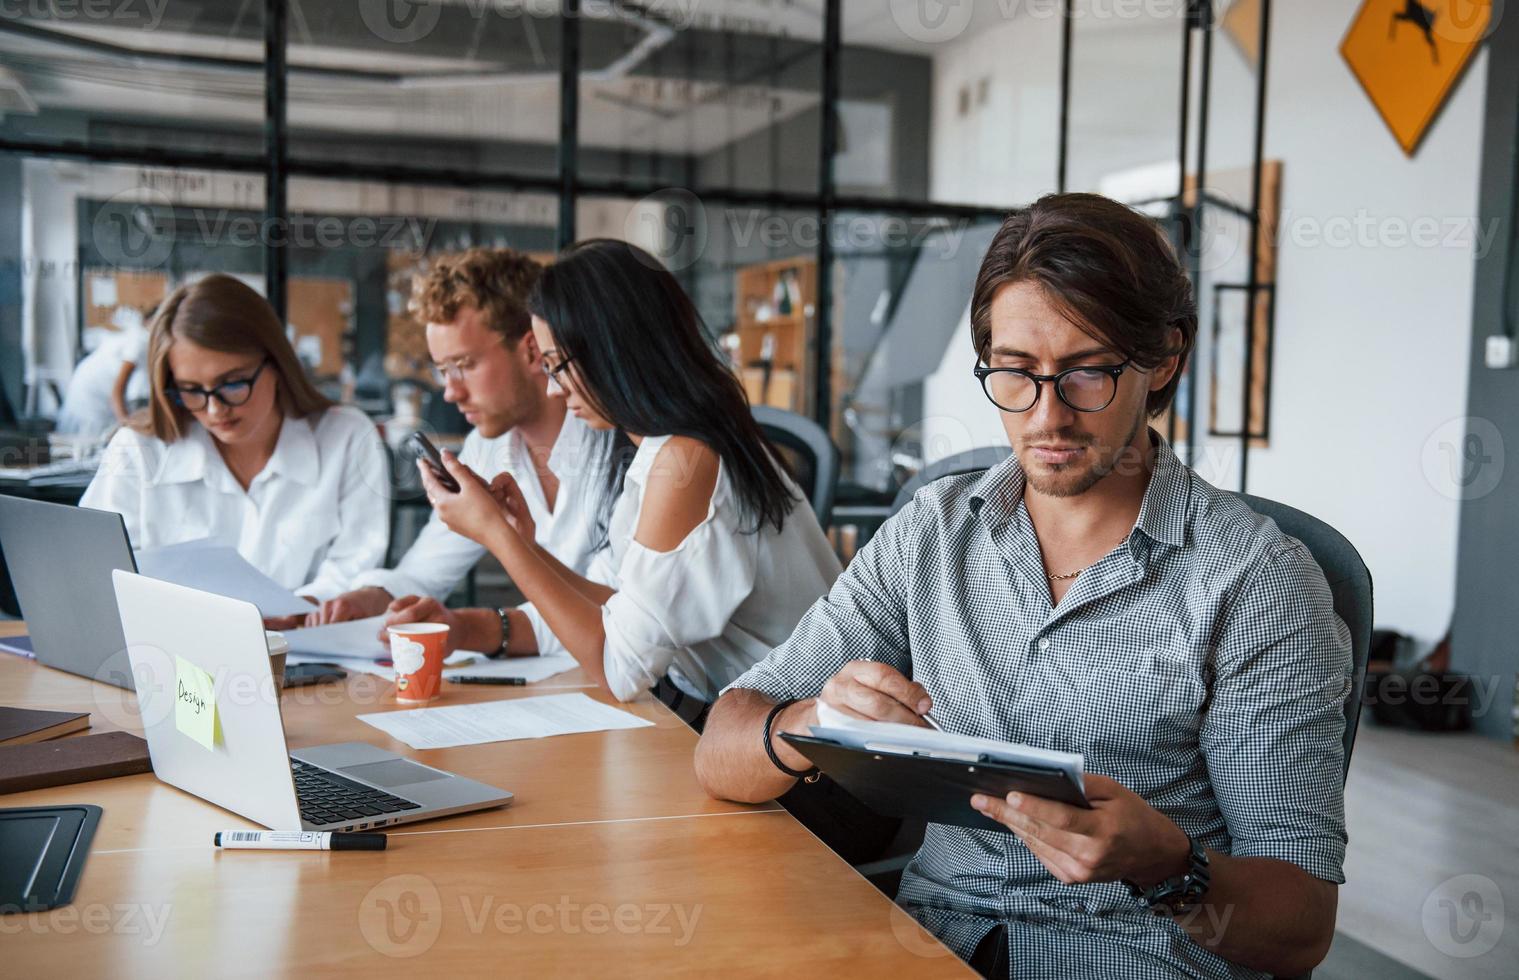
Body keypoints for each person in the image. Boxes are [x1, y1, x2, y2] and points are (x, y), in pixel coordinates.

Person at [695, 194, 1351, 979]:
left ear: (1163, 359)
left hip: (1134, 957)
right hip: (929, 942)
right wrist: (812, 719)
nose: (1046, 417)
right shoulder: (931, 531)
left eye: (1085, 373)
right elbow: (721, 745)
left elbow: (1299, 925)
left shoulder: (1256, 582)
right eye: (1013, 373)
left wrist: (1167, 868)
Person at [417, 238, 842, 713]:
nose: (555, 390)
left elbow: (620, 671)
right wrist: (526, 546)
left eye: (558, 366)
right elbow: (623, 611)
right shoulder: (666, 449)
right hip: (751, 724)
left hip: (799, 741)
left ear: (611, 350)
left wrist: (500, 538)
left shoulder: (684, 463)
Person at [315, 249, 608, 663]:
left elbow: (614, 622)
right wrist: (372, 598)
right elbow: (427, 569)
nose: (451, 392)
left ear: (531, 351)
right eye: (442, 370)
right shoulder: (489, 446)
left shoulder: (616, 444)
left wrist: (469, 625)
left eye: (464, 365)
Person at [80, 274, 390, 620]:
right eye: (192, 389)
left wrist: (302, 611)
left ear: (275, 363)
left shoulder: (347, 437)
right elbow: (100, 573)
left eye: (232, 384)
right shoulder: (138, 449)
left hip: (306, 656)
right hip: (169, 654)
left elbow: (355, 566)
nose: (214, 410)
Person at [56, 305, 152, 436]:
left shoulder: (134, 334)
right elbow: (117, 392)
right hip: (91, 407)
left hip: (82, 395)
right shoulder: (140, 341)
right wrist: (127, 427)